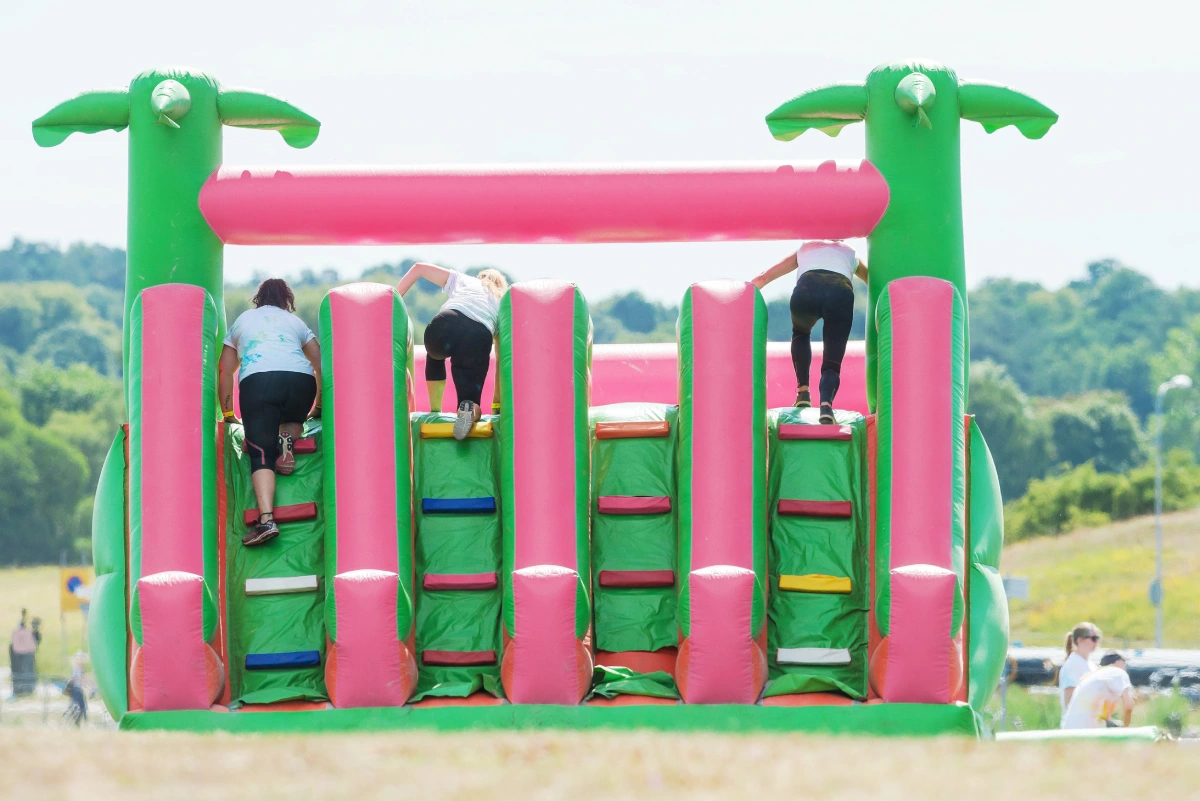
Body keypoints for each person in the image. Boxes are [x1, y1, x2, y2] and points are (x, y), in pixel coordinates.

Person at [218, 279, 321, 547]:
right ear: (287, 300)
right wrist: (318, 404)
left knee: (260, 452)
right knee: (292, 420)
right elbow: (321, 362)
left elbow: (225, 370)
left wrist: (228, 411)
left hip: (259, 382)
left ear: (258, 298)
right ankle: (287, 436)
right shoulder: (295, 322)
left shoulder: (244, 320)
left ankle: (266, 520)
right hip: (301, 381)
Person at [752, 240, 867, 424]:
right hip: (840, 293)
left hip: (807, 290)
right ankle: (826, 405)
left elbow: (763, 277)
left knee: (801, 333)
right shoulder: (850, 252)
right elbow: (875, 282)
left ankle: (803, 392)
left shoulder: (807, 246)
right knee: (832, 364)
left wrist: (744, 295)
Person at [397, 263, 507, 440]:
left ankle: (434, 410)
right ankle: (468, 410)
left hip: (445, 324)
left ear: (481, 278)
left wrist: (394, 299)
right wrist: (497, 403)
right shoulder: (502, 305)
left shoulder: (465, 281)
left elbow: (418, 268)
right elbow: (502, 361)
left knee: (434, 355)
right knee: (469, 400)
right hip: (478, 336)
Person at [1061, 652, 1135, 729]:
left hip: (1069, 730)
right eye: (1124, 662)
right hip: (1085, 733)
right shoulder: (1119, 672)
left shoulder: (1092, 676)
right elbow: (1128, 706)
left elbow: (1105, 717)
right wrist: (1125, 728)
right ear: (1117, 662)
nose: (1125, 666)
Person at [1059, 621, 1101, 712]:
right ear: (1079, 640)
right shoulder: (1072, 665)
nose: (1096, 642)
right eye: (1093, 638)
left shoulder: (1091, 664)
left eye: (1097, 638)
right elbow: (1069, 701)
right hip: (1076, 724)